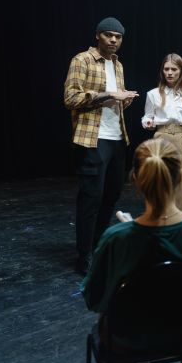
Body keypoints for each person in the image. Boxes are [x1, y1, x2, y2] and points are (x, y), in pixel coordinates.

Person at [81, 138, 182, 350]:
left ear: (135, 179)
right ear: (180, 176)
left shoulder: (116, 238)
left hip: (127, 340)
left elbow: (93, 297)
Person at [64, 17, 139, 275]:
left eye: (118, 37)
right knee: (90, 199)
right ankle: (83, 255)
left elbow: (114, 101)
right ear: (98, 35)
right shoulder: (82, 60)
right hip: (93, 139)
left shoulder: (118, 65)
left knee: (111, 196)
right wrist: (108, 94)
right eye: (109, 35)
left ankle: (97, 245)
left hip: (117, 138)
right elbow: (70, 98)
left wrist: (124, 101)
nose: (114, 40)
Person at [142, 53, 182, 212]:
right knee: (160, 181)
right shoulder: (153, 94)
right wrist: (147, 122)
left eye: (174, 69)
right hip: (161, 136)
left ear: (181, 71)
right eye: (166, 69)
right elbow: (148, 115)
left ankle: (180, 219)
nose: (170, 73)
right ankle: (158, 218)